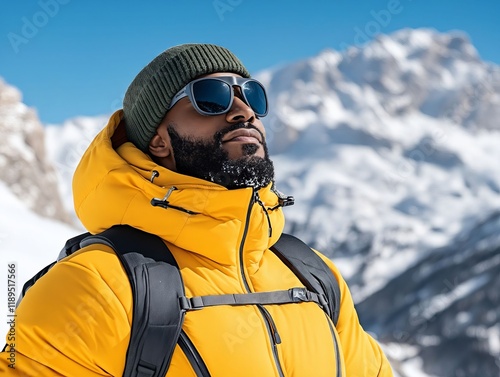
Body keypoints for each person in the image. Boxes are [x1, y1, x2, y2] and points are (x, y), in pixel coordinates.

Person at [1, 43, 393, 376]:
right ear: (158, 142)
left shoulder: (313, 275)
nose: (243, 111)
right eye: (210, 97)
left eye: (251, 95)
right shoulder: (94, 285)